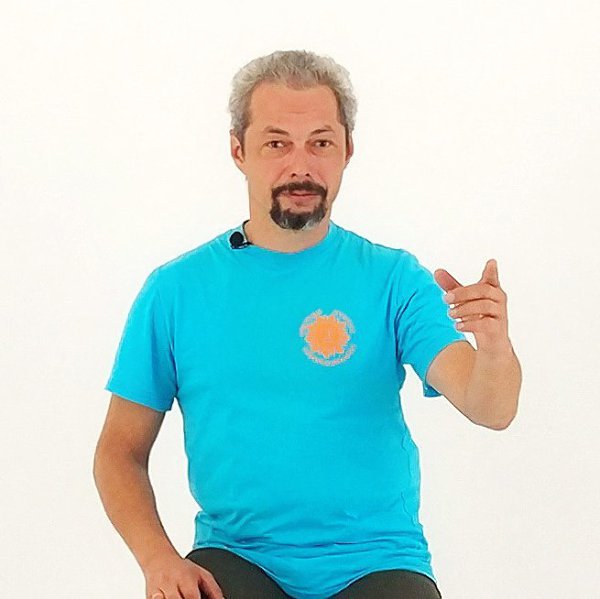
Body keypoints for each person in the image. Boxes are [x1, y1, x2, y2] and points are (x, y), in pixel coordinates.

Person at [94, 49, 469, 599]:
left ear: (347, 151)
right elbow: (119, 451)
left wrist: (494, 346)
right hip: (238, 555)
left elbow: (491, 404)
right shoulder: (176, 291)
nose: (300, 165)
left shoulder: (395, 279)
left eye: (320, 143)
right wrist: (158, 561)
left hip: (377, 558)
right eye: (277, 144)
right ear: (238, 150)